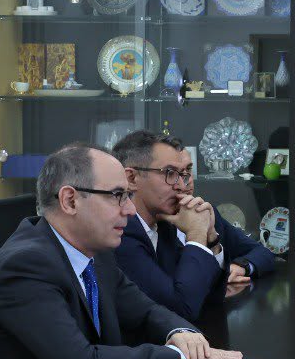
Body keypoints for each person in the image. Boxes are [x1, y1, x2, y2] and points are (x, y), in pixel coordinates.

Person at [0, 143, 241, 359]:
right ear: (70, 200)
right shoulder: (25, 267)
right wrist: (176, 355)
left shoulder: (95, 254)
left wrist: (181, 333)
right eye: (118, 195)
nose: (130, 209)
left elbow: (145, 311)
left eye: (128, 196)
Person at [109, 130, 277, 320]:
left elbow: (212, 295)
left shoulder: (165, 224)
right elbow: (181, 310)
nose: (182, 186)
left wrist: (212, 240)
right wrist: (197, 235)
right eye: (170, 173)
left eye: (185, 173)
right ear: (131, 179)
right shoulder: (120, 233)